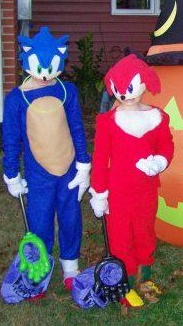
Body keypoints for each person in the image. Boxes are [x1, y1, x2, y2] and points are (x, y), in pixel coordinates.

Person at [1, 27, 91, 303]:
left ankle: (70, 266)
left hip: (68, 169)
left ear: (60, 61)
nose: (43, 73)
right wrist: (12, 174)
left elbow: (76, 128)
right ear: (26, 60)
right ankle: (38, 270)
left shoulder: (67, 91)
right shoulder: (17, 99)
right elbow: (12, 139)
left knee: (70, 216)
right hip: (38, 173)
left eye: (49, 66)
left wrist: (83, 164)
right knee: (39, 220)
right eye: (38, 66)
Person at [89, 54, 174, 307]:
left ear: (144, 84)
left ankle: (144, 276)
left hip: (146, 189)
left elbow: (166, 146)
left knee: (145, 229)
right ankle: (124, 280)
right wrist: (99, 192)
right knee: (120, 234)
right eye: (119, 89)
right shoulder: (108, 122)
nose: (124, 95)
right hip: (118, 190)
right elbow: (101, 157)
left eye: (129, 88)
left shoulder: (157, 118)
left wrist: (159, 162)